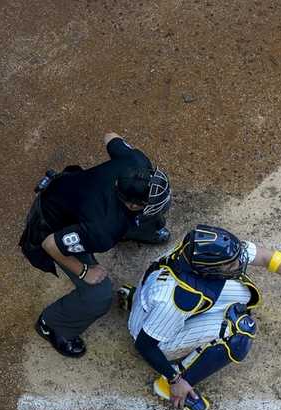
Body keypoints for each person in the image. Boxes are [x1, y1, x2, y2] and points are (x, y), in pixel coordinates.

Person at [119, 224, 281, 410]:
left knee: (244, 293)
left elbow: (265, 257)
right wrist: (175, 380)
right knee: (240, 331)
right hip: (153, 336)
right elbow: (145, 346)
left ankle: (138, 304)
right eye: (230, 265)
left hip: (150, 297)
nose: (237, 265)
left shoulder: (199, 250)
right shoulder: (179, 298)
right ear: (207, 271)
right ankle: (168, 386)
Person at [19, 132, 172, 358]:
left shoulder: (137, 163)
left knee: (154, 214)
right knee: (98, 294)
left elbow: (110, 136)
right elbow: (50, 244)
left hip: (78, 194)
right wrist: (84, 271)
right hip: (54, 222)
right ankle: (53, 324)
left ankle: (135, 228)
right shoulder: (102, 229)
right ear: (131, 204)